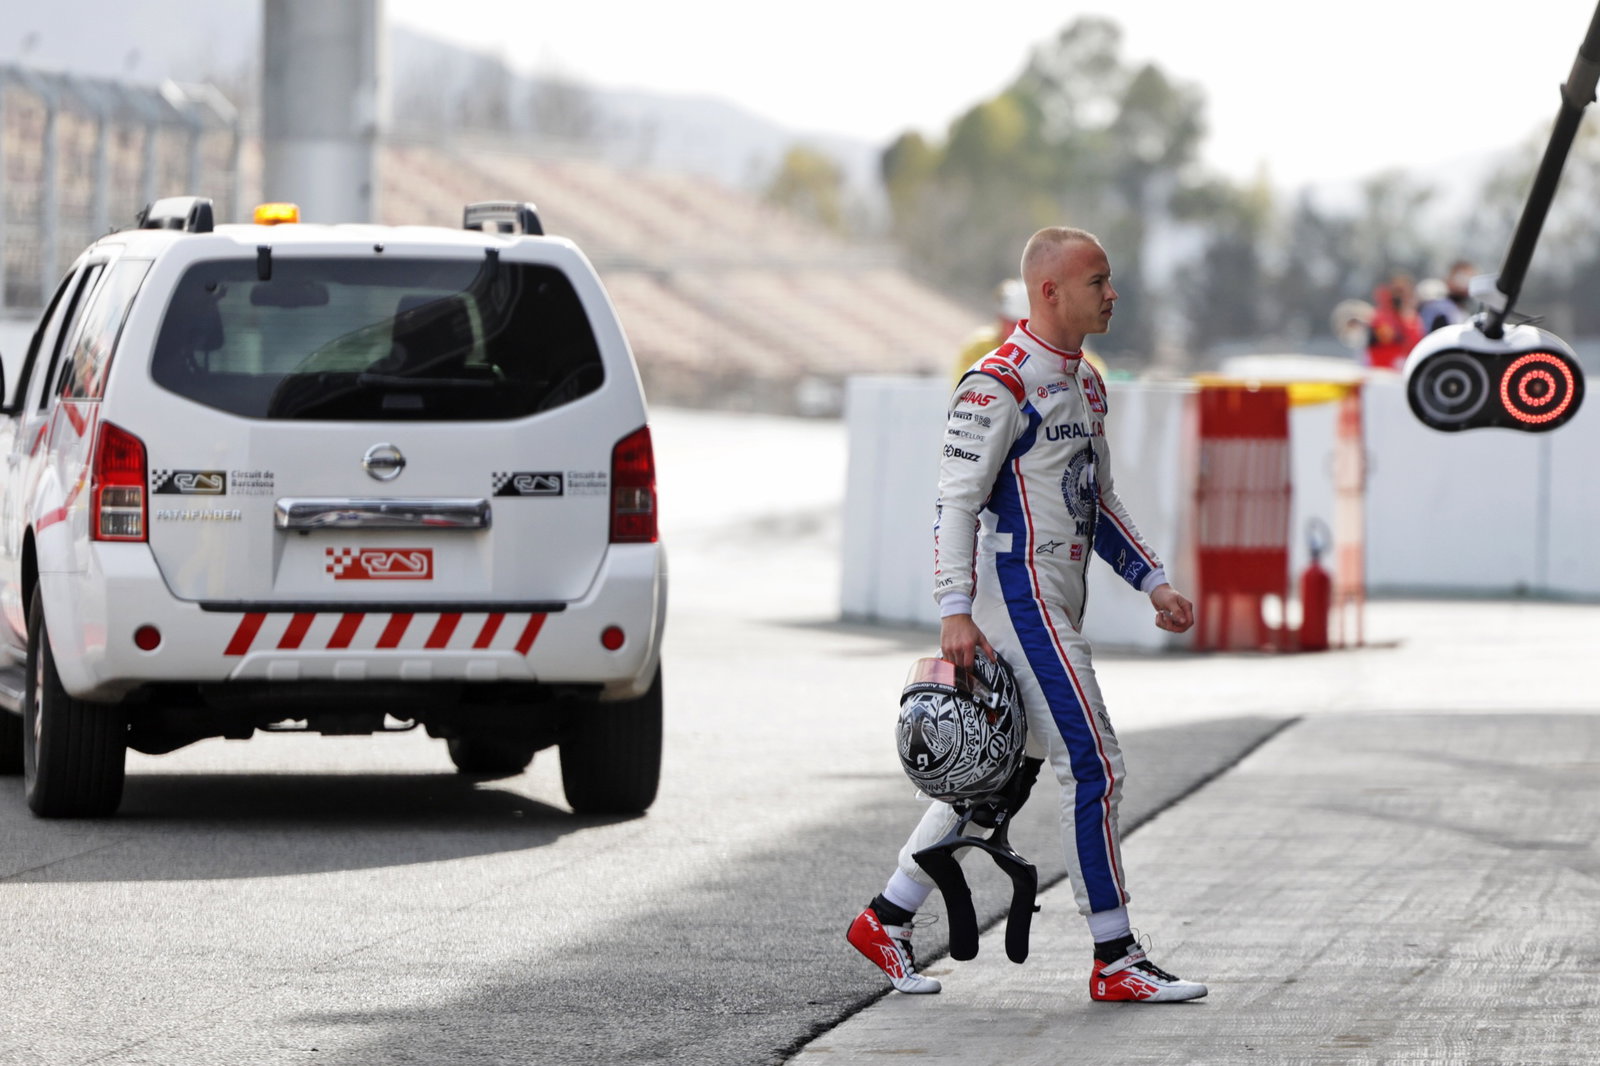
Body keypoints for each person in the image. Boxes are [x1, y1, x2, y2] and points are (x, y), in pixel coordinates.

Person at [847, 227, 1208, 1003]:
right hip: (1020, 600)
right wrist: (953, 610)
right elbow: (955, 502)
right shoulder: (997, 383)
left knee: (996, 779)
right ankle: (1115, 956)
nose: (1113, 295)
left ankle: (887, 917)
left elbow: (1095, 500)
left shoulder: (1087, 381)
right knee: (1097, 766)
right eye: (1098, 281)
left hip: (1055, 599)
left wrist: (1152, 581)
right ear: (1050, 291)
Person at [1365, 273, 1423, 371]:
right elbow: (1385, 337)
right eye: (1397, 291)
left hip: (1403, 371)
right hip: (1380, 370)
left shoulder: (1414, 319)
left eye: (1403, 292)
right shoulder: (1381, 316)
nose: (1399, 296)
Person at [1418, 260, 1476, 333]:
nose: (1466, 286)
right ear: (1448, 279)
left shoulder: (1463, 311)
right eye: (1462, 279)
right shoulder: (1439, 310)